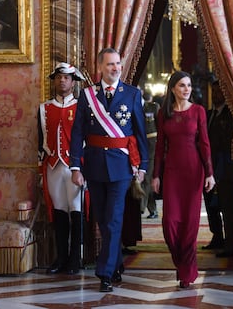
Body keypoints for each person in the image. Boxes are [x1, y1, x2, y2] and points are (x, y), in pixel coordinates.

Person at [70, 47, 148, 293]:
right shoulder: (87, 96)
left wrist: (142, 165)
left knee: (114, 218)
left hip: (121, 166)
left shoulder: (132, 94)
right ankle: (115, 264)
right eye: (110, 64)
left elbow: (140, 133)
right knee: (102, 219)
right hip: (93, 165)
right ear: (100, 67)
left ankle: (104, 273)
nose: (115, 68)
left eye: (118, 64)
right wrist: (75, 166)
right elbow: (78, 133)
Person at [151, 71, 215, 288]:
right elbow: (160, 147)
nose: (186, 89)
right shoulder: (164, 114)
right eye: (181, 85)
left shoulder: (198, 111)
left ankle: (186, 272)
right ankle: (183, 264)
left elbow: (205, 144)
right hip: (171, 173)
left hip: (193, 171)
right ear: (172, 89)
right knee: (170, 223)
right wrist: (156, 175)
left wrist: (210, 173)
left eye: (188, 85)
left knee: (190, 225)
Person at [38, 62, 85, 275]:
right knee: (58, 212)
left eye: (66, 77)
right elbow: (40, 141)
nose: (62, 81)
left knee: (76, 211)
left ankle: (76, 259)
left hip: (75, 167)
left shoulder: (81, 108)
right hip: (53, 165)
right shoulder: (44, 108)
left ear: (73, 81)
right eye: (58, 77)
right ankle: (61, 258)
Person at [202, 81, 233, 258]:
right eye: (213, 91)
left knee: (227, 207)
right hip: (208, 168)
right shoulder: (208, 114)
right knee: (211, 206)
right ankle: (217, 236)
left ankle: (230, 243)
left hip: (225, 168)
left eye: (219, 91)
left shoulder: (231, 114)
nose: (216, 94)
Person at [141, 91, 160, 219]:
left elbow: (160, 127)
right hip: (136, 148)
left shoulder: (153, 107)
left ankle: (141, 208)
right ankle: (152, 209)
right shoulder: (130, 108)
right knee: (141, 179)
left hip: (152, 148)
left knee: (147, 178)